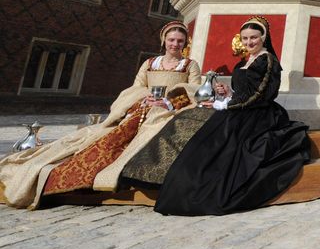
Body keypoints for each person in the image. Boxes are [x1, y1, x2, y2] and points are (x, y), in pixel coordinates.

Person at [0, 21, 201, 209]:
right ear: (164, 41)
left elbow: (195, 89)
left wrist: (167, 101)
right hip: (143, 107)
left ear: (185, 43)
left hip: (168, 110)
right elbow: (137, 87)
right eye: (171, 40)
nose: (175, 44)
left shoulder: (189, 65)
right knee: (106, 136)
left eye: (180, 41)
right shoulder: (150, 63)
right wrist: (145, 98)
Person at [153, 16, 310, 216]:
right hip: (239, 110)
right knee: (204, 147)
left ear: (263, 37)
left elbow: (262, 95)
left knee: (230, 151)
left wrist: (226, 104)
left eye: (253, 38)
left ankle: (206, 195)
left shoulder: (268, 60)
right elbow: (243, 92)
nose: (249, 42)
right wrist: (227, 94)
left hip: (259, 115)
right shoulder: (243, 63)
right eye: (245, 38)